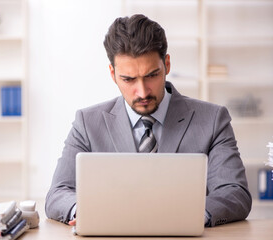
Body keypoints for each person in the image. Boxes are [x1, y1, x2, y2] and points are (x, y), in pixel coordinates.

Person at [45, 14, 252, 227]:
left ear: (167, 65)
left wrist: (192, 216)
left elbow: (234, 192)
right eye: (129, 79)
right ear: (112, 74)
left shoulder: (213, 119)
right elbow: (58, 193)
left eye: (152, 75)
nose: (142, 92)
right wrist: (86, 211)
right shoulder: (87, 123)